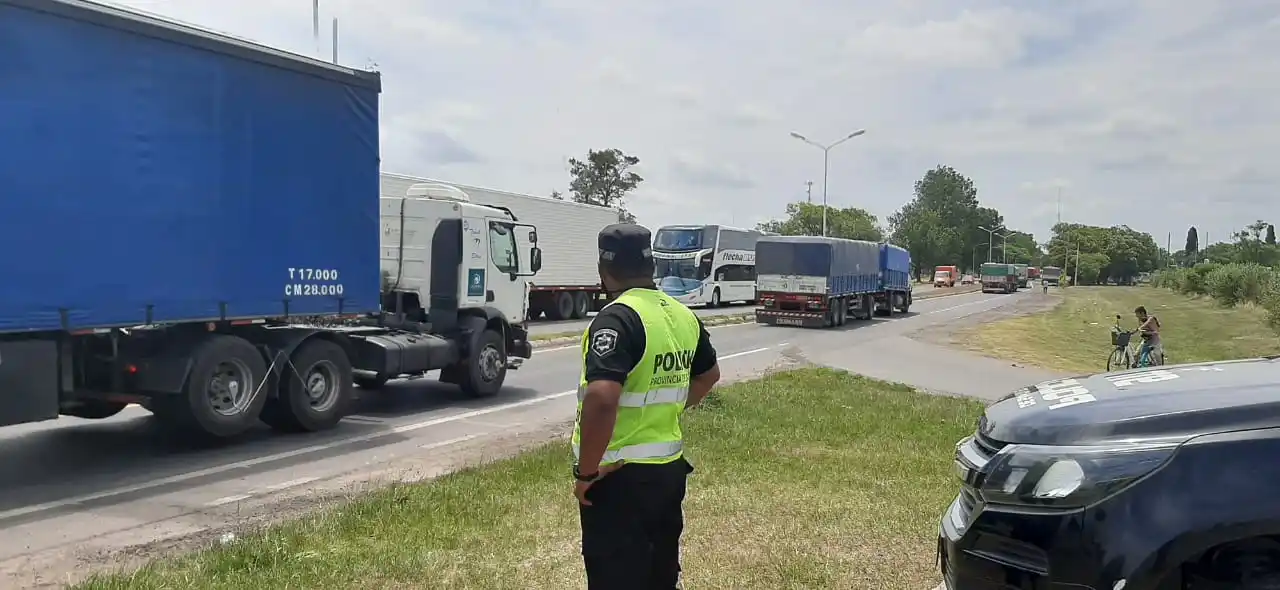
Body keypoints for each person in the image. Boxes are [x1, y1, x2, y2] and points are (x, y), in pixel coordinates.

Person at [572, 223, 721, 590]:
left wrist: (586, 474)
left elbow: (602, 398)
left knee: (616, 576)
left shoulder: (617, 317)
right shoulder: (681, 314)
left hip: (617, 478)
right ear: (651, 265)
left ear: (604, 270)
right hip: (667, 473)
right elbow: (709, 375)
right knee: (660, 573)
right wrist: (667, 409)